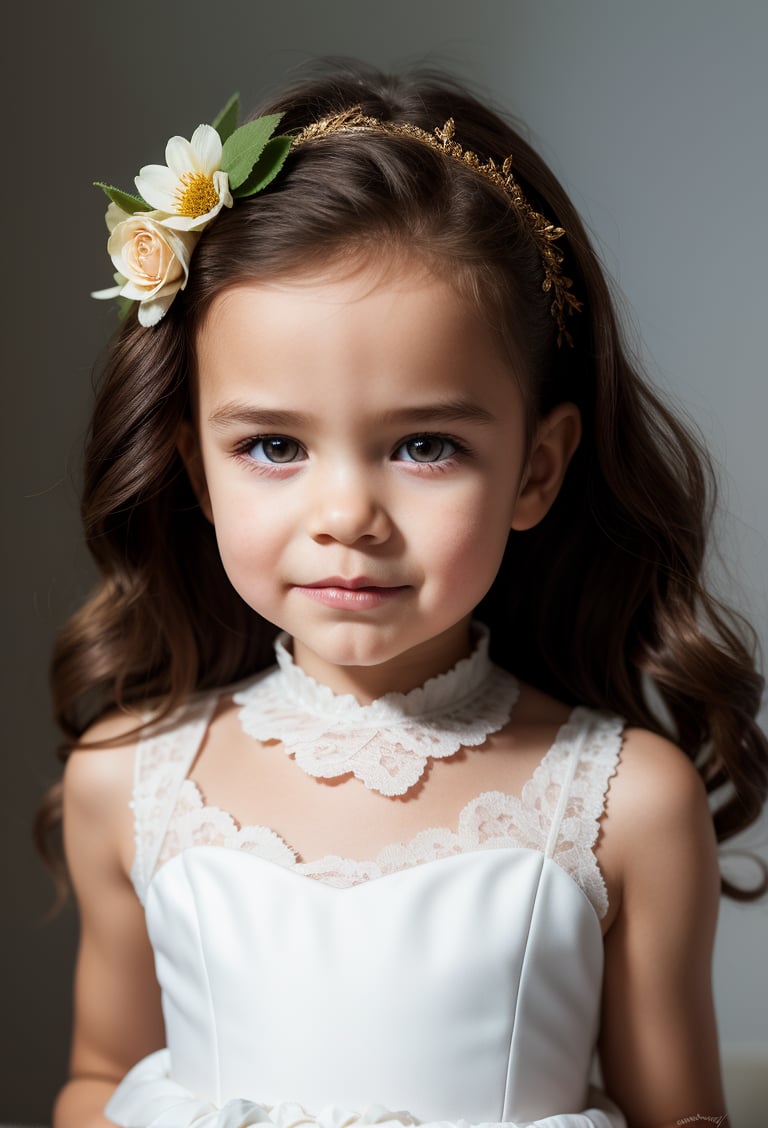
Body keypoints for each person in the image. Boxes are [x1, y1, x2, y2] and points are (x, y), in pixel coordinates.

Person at [42, 62, 768, 1128]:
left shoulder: (627, 804)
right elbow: (100, 1079)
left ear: (537, 469)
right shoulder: (129, 778)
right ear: (197, 469)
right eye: (273, 445)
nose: (348, 514)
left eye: (425, 446)